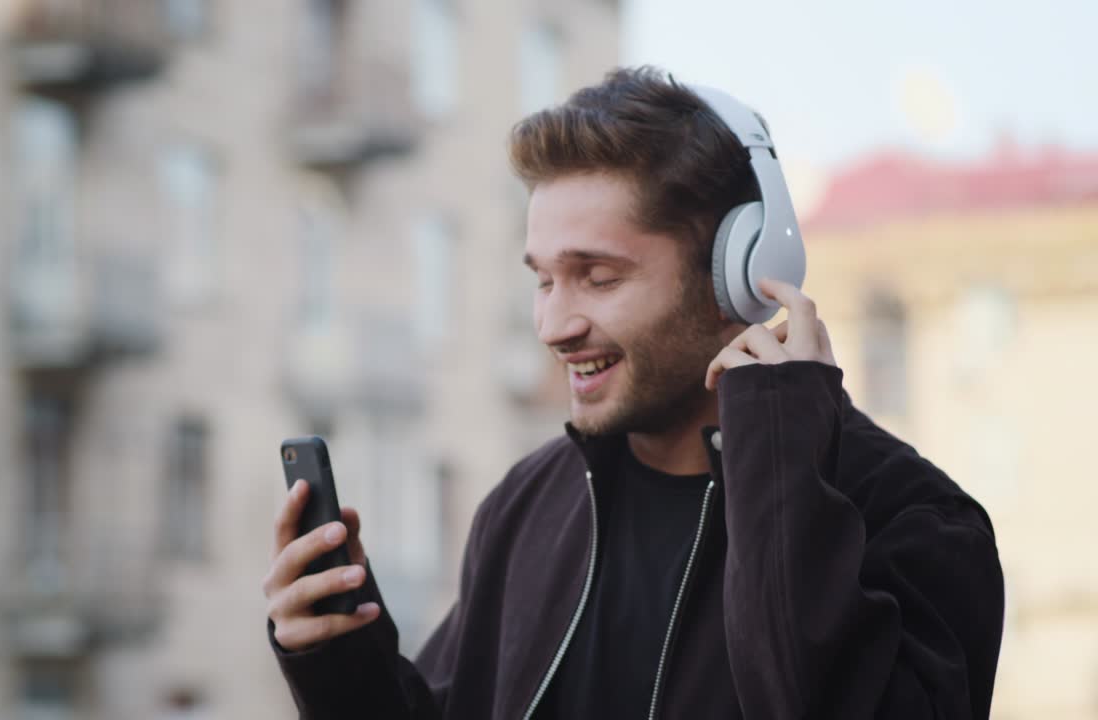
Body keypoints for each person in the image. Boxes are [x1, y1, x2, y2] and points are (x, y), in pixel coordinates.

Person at [262, 67, 1004, 719]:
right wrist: (343, 668)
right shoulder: (527, 507)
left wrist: (780, 462)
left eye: (599, 276)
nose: (554, 324)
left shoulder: (917, 519)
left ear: (737, 274)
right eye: (544, 279)